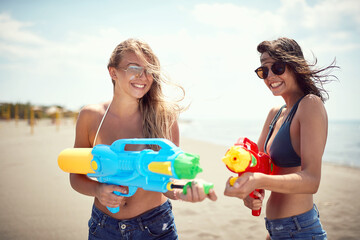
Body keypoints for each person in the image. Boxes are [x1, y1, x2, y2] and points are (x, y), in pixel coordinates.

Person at [70, 38, 217, 240]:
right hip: (103, 227)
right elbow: (76, 177)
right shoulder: (91, 116)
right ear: (113, 72)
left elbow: (169, 182)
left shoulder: (164, 117)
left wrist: (184, 189)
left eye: (149, 70)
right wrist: (98, 190)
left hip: (155, 228)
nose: (143, 76)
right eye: (134, 68)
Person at [224, 37, 338, 239]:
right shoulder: (275, 112)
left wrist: (259, 180)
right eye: (263, 71)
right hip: (275, 231)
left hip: (300, 229)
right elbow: (256, 167)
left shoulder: (310, 105)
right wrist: (248, 194)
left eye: (277, 67)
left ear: (294, 66)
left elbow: (312, 180)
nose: (269, 76)